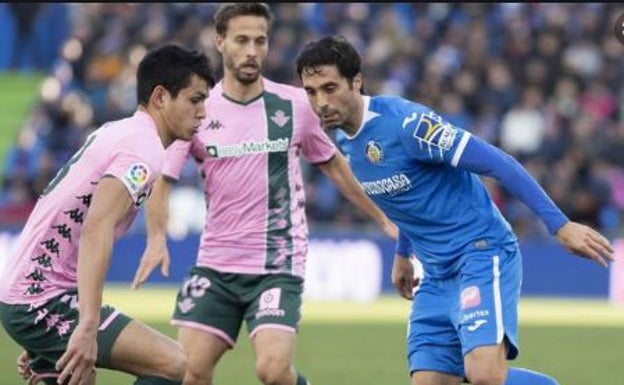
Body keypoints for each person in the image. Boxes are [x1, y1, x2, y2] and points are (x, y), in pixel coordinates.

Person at [295, 35, 615, 385]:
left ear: (356, 81)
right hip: (435, 272)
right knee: (430, 382)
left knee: (483, 376)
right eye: (311, 92)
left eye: (329, 88)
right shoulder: (341, 136)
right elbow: (408, 197)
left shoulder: (409, 125)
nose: (321, 102)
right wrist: (403, 253)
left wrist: (560, 225)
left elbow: (498, 162)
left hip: (480, 252)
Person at [131, 4, 396, 385]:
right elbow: (163, 180)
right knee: (188, 371)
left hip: (277, 263)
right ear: (220, 42)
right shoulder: (198, 110)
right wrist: (156, 238)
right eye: (242, 40)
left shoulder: (294, 106)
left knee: (272, 371)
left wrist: (382, 217)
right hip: (217, 263)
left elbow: (334, 164)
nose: (252, 50)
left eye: (260, 40)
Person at [0, 44, 215, 385]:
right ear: (160, 97)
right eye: (195, 99)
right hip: (43, 299)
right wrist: (84, 325)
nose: (203, 112)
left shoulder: (115, 131)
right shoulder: (142, 151)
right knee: (171, 363)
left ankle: (49, 367)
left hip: (32, 293)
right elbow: (95, 227)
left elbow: (59, 206)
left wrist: (44, 334)